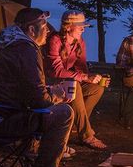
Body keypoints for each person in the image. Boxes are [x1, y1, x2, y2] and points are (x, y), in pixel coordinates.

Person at [0, 7, 75, 167]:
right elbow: (40, 101)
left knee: (47, 109)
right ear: (31, 30)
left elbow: (22, 85)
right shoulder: (26, 49)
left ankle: (34, 155)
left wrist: (47, 90)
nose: (48, 30)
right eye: (44, 26)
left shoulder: (7, 44)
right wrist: (57, 95)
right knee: (64, 113)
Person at [44, 11, 107, 150]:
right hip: (51, 83)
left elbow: (81, 68)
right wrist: (83, 77)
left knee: (97, 89)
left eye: (83, 25)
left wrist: (93, 78)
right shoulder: (55, 40)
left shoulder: (79, 42)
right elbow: (56, 71)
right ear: (67, 27)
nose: (83, 28)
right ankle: (86, 135)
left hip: (69, 82)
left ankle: (75, 124)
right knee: (75, 85)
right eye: (79, 25)